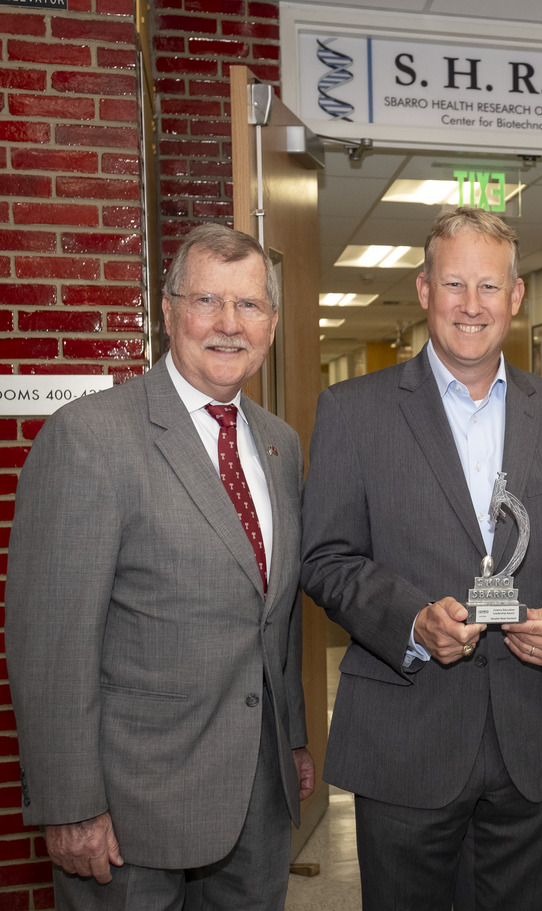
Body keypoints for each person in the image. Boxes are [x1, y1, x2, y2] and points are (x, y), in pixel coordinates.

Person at [300, 206, 542, 911]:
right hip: (406, 738)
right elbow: (326, 557)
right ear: (423, 290)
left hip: (530, 738)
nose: (472, 306)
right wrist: (410, 621)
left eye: (490, 287)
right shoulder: (353, 410)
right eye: (454, 284)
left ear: (516, 296)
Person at [8, 223, 314, 909]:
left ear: (270, 322)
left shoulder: (279, 445)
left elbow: (276, 615)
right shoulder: (91, 437)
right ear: (169, 311)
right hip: (129, 815)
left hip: (256, 803)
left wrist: (290, 740)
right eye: (208, 300)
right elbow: (50, 645)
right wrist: (70, 804)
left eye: (250, 305)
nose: (229, 323)